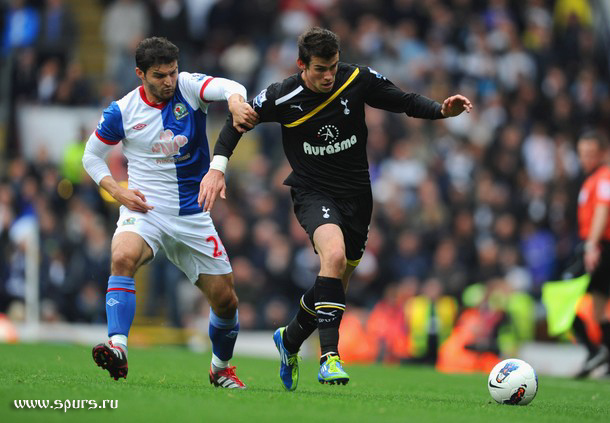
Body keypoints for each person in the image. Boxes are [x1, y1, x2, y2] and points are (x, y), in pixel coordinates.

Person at [198, 27, 472, 390]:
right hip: (312, 192)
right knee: (334, 256)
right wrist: (218, 169)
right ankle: (329, 358)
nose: (328, 75)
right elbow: (237, 125)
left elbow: (402, 100)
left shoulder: (356, 79)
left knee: (334, 281)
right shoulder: (282, 95)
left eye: (333, 67)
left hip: (357, 197)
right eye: (320, 69)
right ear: (301, 65)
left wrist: (440, 110)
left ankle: (290, 340)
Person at [82, 36, 258, 389]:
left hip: (193, 214)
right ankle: (118, 347)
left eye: (172, 73)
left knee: (226, 301)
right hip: (146, 208)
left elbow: (229, 86)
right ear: (140, 74)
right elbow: (91, 156)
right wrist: (119, 191)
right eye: (159, 75)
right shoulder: (123, 110)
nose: (168, 81)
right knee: (122, 256)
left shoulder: (188, 88)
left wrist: (237, 102)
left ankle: (220, 368)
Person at [573, 131, 610, 377]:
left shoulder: (604, 177)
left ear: (602, 153)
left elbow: (602, 209)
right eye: (582, 153)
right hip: (598, 245)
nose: (585, 158)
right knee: (598, 309)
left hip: (598, 246)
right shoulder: (593, 178)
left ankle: (593, 350)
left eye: (590, 154)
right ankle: (604, 355)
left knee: (557, 295)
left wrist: (591, 245)